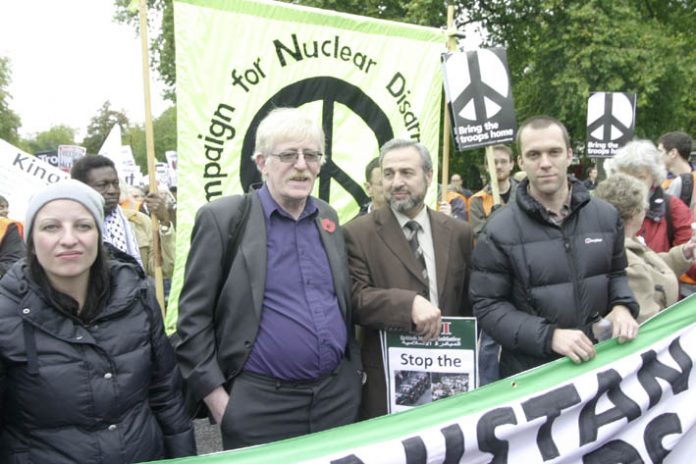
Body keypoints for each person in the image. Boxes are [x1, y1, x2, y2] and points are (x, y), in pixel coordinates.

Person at [176, 107, 361, 449]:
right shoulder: (223, 219)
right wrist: (221, 403)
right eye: (288, 155)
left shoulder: (328, 218)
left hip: (336, 402)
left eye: (311, 155)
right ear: (262, 162)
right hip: (260, 408)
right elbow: (192, 322)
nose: (302, 165)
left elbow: (342, 300)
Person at [0, 179, 195, 463]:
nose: (68, 238)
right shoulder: (6, 311)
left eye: (83, 225)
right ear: (31, 239)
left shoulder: (137, 296)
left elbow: (166, 397)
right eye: (51, 227)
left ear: (98, 234)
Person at [470, 116, 639, 378]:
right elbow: (488, 307)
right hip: (534, 375)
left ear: (569, 155)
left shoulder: (606, 216)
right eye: (534, 154)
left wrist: (623, 307)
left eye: (554, 152)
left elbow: (616, 274)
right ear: (521, 162)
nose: (545, 163)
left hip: (601, 367)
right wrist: (549, 337)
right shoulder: (498, 229)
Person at [344, 138, 473, 419]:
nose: (396, 182)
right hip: (387, 384)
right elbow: (354, 298)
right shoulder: (357, 233)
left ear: (428, 176)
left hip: (449, 379)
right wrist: (408, 305)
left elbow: (466, 304)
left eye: (406, 173)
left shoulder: (458, 232)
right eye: (388, 174)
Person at [595, 173, 695, 322]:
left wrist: (684, 253)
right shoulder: (625, 257)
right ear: (635, 213)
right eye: (644, 206)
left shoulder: (622, 241)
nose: (646, 210)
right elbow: (647, 325)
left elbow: (652, 266)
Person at [71, 155, 176, 278]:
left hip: (135, 296)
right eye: (102, 185)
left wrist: (164, 221)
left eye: (115, 184)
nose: (112, 190)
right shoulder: (67, 228)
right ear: (80, 188)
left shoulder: (139, 221)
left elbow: (165, 269)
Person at [469, 144, 519, 236]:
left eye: (503, 161)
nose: (499, 166)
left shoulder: (526, 194)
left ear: (511, 164)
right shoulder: (477, 200)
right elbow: (480, 236)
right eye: (494, 162)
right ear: (487, 166)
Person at [659, 131, 694, 210]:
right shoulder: (663, 181)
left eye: (660, 151)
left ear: (673, 153)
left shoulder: (694, 181)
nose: (658, 156)